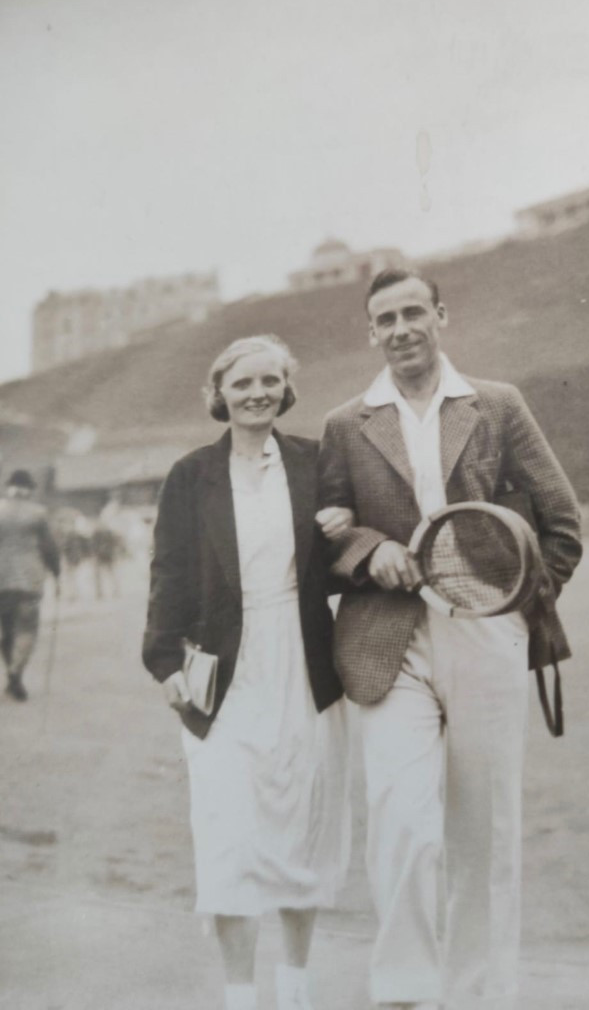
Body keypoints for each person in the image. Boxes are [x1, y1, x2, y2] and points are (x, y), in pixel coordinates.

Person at [317, 269, 582, 1010]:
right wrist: (369, 550)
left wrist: (515, 607)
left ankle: (478, 994)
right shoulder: (345, 423)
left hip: (486, 635)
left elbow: (562, 523)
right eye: (386, 318)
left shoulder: (497, 405)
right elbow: (327, 535)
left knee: (484, 830)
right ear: (371, 332)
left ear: (441, 315)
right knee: (402, 821)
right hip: (386, 640)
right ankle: (404, 990)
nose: (402, 328)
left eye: (414, 312)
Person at [142, 335, 351, 1010]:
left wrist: (347, 529)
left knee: (303, 824)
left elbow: (348, 555)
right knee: (228, 830)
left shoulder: (317, 462)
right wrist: (163, 660)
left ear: (286, 389)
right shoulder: (191, 475)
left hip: (305, 663)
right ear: (219, 393)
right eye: (242, 383)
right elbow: (169, 572)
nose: (257, 393)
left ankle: (295, 988)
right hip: (222, 671)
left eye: (269, 381)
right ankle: (239, 995)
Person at [0, 469, 60, 701]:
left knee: (7, 630)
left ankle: (12, 674)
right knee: (26, 629)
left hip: (1, 582)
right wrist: (56, 572)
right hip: (29, 582)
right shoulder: (38, 514)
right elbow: (50, 548)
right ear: (30, 490)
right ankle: (16, 673)